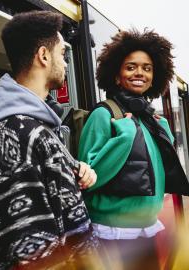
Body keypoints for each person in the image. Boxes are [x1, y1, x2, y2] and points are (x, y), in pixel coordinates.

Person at [0, 10, 100, 270]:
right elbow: (33, 253)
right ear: (43, 56)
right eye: (62, 55)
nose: (66, 64)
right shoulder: (12, 134)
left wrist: (74, 172)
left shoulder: (36, 126)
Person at [78, 29, 189, 269]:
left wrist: (164, 135)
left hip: (146, 229)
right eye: (131, 67)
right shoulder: (103, 115)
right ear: (116, 76)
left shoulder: (150, 120)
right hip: (113, 235)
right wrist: (124, 137)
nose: (140, 72)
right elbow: (88, 179)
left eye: (147, 68)